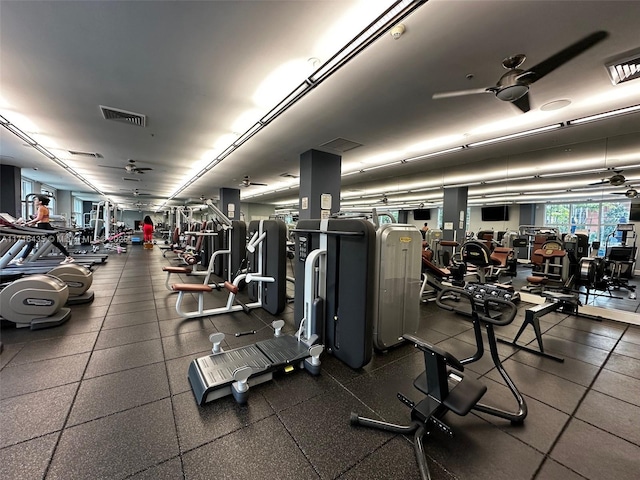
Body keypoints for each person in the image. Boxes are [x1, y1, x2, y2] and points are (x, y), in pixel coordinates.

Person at [16, 195, 74, 265]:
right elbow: (41, 219)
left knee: (31, 243)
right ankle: (68, 257)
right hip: (45, 226)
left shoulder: (41, 208)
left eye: (36, 200)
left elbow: (39, 218)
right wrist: (31, 223)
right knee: (55, 243)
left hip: (42, 227)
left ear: (40, 202)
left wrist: (26, 223)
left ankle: (21, 260)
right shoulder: (44, 208)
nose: (34, 201)